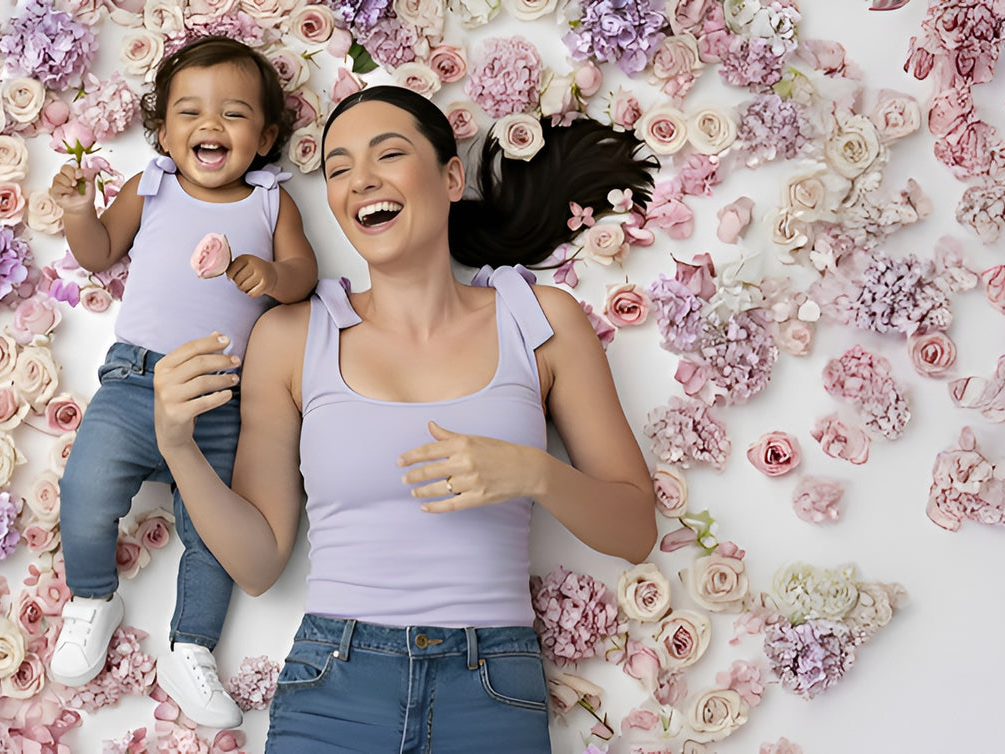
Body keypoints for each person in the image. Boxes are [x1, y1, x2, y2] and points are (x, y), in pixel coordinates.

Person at [149, 85, 660, 751]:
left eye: (388, 154)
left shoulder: (540, 321)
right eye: (337, 169)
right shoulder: (291, 337)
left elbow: (635, 531)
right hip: (333, 682)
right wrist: (177, 445)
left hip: (492, 687)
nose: (360, 180)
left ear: (451, 177)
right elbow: (257, 563)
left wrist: (535, 474)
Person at [42, 36, 320, 729]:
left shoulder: (270, 204)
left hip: (220, 400)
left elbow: (303, 274)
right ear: (163, 132)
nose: (210, 126)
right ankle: (91, 598)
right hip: (136, 381)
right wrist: (79, 212)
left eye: (233, 113)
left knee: (216, 537)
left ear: (266, 137)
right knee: (84, 487)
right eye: (190, 113)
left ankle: (191, 648)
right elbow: (101, 249)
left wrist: (269, 275)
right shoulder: (153, 186)